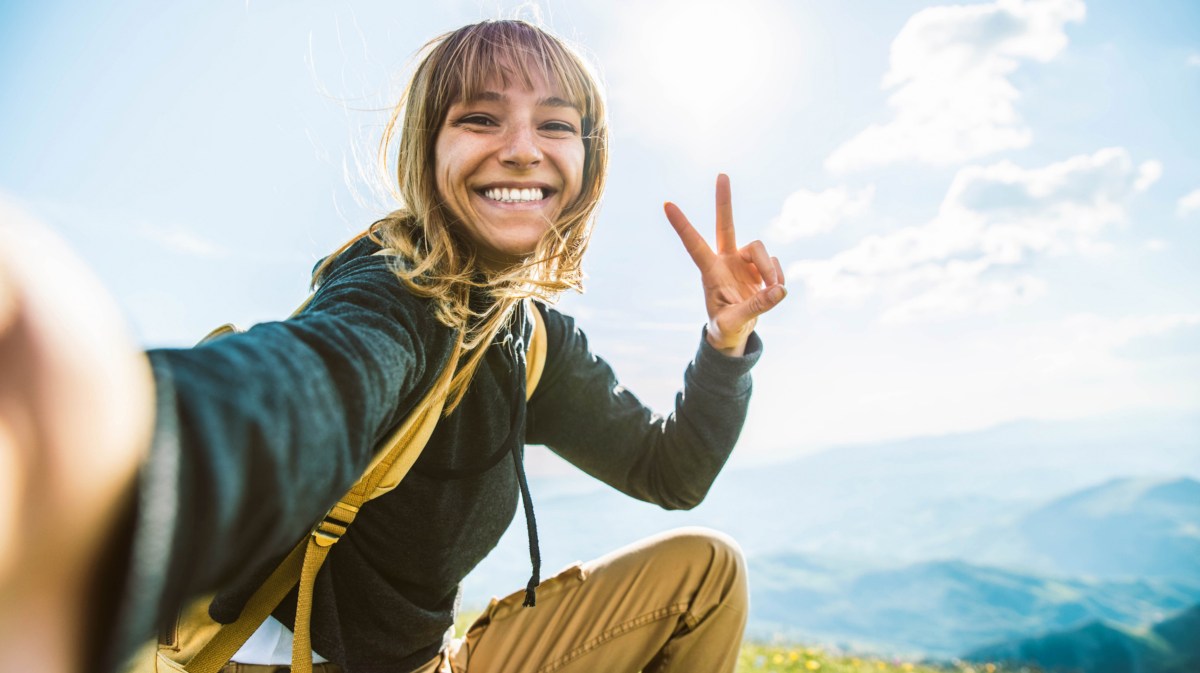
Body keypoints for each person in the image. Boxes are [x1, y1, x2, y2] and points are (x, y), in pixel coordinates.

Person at [0, 18, 786, 673]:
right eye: (480, 118)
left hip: (428, 659)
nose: (522, 148)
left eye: (554, 124)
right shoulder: (396, 287)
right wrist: (105, 461)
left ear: (586, 158)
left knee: (704, 574)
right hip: (287, 660)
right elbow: (311, 386)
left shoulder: (533, 336)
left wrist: (726, 340)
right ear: (428, 147)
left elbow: (669, 470)